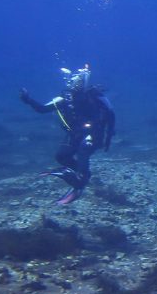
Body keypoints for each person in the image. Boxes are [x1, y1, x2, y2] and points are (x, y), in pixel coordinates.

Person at [21, 65, 115, 205]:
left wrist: (108, 137)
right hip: (75, 134)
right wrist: (28, 100)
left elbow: (110, 115)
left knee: (83, 152)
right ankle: (81, 174)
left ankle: (80, 181)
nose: (75, 85)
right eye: (73, 82)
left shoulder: (95, 97)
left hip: (93, 134)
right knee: (61, 156)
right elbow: (42, 109)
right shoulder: (64, 98)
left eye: (78, 82)